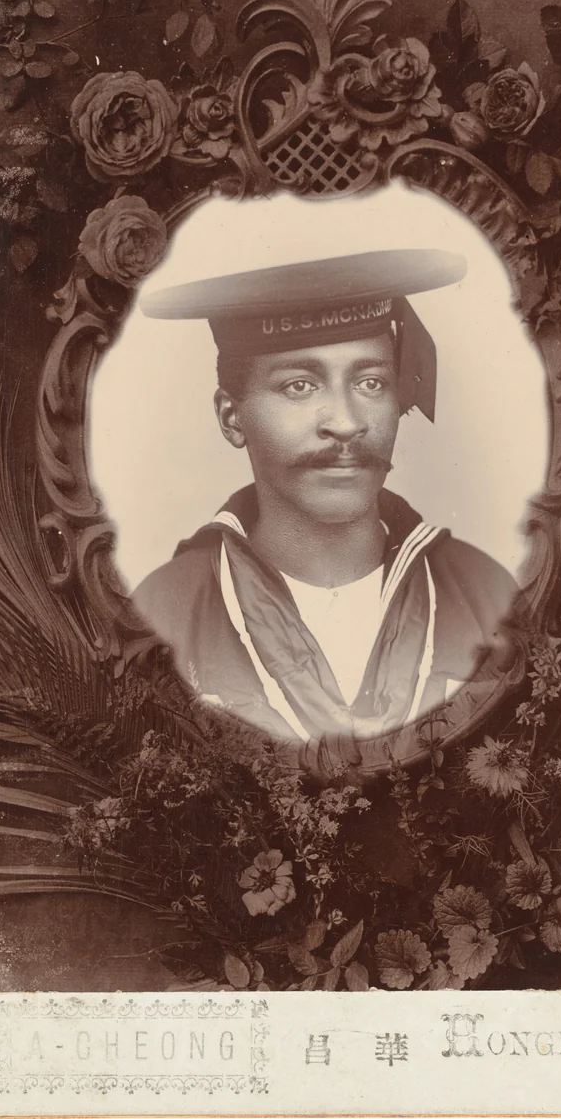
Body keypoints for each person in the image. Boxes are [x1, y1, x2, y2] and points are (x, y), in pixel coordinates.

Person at [133, 248, 517, 749]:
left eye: (371, 382)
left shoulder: (482, 593)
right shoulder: (164, 611)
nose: (346, 421)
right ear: (232, 418)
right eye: (299, 385)